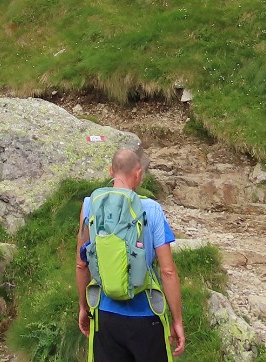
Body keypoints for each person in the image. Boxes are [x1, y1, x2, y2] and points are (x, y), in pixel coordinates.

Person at [77, 146, 186, 360]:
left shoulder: (90, 205)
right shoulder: (151, 209)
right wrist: (177, 320)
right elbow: (168, 271)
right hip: (146, 316)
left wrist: (83, 306)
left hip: (105, 316)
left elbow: (82, 264)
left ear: (111, 171)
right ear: (138, 174)